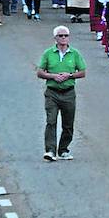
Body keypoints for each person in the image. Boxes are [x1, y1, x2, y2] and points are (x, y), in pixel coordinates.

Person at [36, 26, 86, 161]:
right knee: (51, 121)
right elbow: (40, 72)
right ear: (55, 38)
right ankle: (50, 150)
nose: (64, 38)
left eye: (66, 35)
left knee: (68, 122)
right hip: (52, 92)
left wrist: (69, 75)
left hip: (68, 92)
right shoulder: (48, 53)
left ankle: (63, 149)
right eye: (61, 36)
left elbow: (82, 72)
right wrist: (53, 76)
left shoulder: (74, 54)